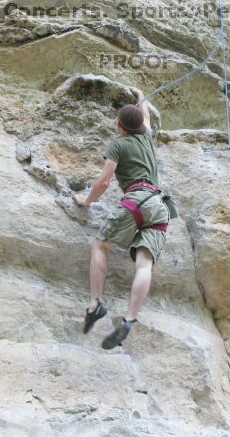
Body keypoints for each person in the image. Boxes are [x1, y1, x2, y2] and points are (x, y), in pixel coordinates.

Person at [73, 87, 170, 349]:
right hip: (159, 206)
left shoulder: (118, 143)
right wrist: (141, 97)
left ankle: (95, 304)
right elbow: (146, 118)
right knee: (144, 263)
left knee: (100, 246)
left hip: (136, 199)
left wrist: (85, 201)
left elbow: (104, 181)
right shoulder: (147, 137)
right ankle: (129, 318)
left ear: (119, 126)